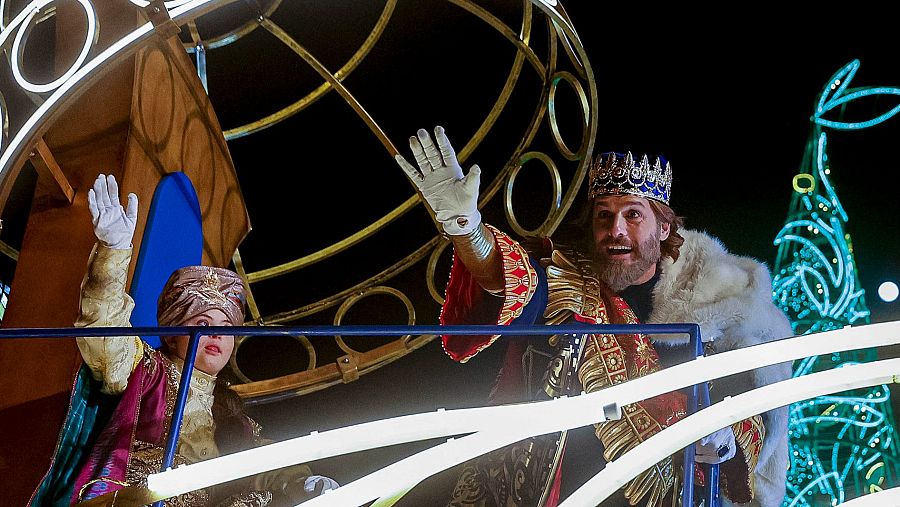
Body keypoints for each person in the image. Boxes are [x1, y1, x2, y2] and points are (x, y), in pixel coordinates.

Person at [395, 127, 793, 507]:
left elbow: (752, 406)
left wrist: (725, 435)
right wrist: (467, 231)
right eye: (604, 215)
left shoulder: (723, 302)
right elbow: (515, 283)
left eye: (633, 215)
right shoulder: (569, 278)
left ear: (664, 227)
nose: (615, 230)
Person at [31, 174, 338, 506]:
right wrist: (114, 251)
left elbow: (270, 464)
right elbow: (103, 329)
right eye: (202, 323)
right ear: (171, 334)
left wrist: (303, 481)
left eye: (227, 325)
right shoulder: (146, 372)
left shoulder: (236, 421)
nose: (217, 333)